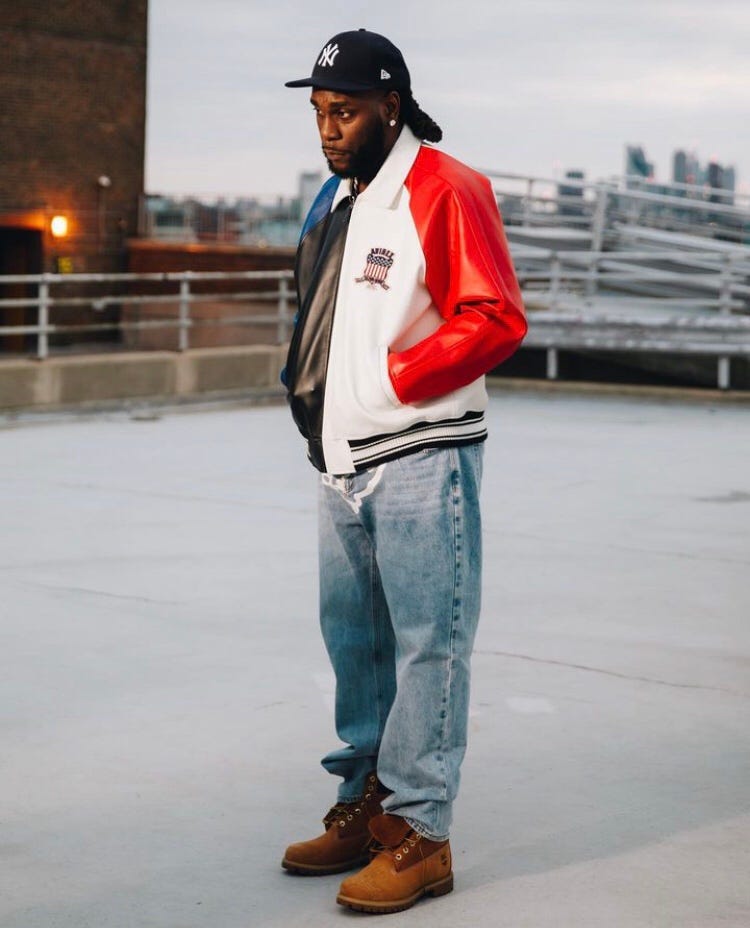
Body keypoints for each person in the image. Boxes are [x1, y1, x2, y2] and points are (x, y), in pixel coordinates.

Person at [280, 28, 527, 914]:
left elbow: (495, 316)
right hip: (340, 460)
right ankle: (367, 800)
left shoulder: (445, 187)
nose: (328, 128)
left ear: (391, 106)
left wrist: (391, 383)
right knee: (355, 644)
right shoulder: (336, 195)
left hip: (422, 456)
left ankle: (423, 833)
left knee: (429, 645)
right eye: (319, 111)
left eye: (344, 111)